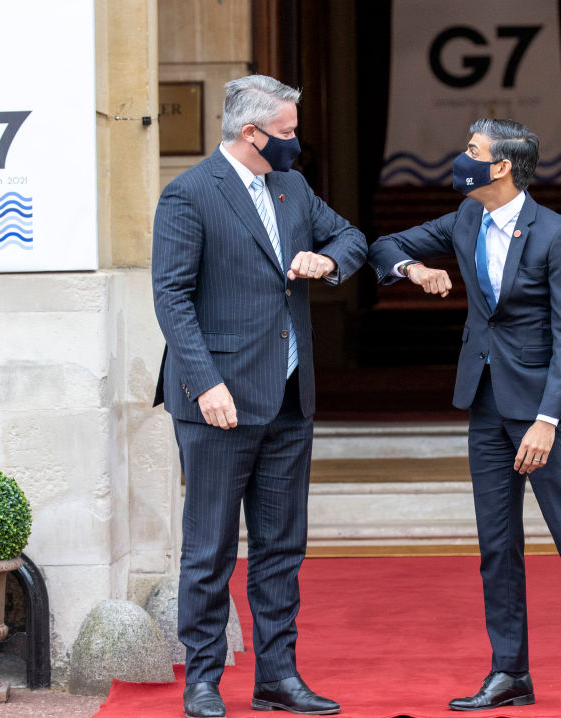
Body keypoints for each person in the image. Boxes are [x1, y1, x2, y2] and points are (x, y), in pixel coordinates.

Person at [367, 119, 561, 714]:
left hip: (542, 411)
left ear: (502, 167)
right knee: (496, 544)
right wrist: (415, 270)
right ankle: (509, 671)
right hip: (486, 403)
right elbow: (384, 245)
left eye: (472, 151)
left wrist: (548, 419)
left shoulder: (557, 233)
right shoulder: (465, 218)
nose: (460, 159)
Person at [152, 74, 367, 718]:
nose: (296, 140)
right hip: (219, 402)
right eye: (287, 131)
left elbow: (351, 238)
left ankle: (277, 677)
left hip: (289, 398)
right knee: (209, 549)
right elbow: (171, 297)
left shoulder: (292, 186)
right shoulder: (189, 193)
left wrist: (328, 262)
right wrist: (204, 383)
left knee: (280, 548)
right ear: (252, 133)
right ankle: (203, 680)